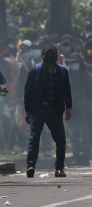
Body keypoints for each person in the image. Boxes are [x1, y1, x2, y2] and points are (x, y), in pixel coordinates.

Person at [24, 44, 72, 178]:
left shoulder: (62, 71)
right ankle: (30, 165)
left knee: (61, 140)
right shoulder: (35, 71)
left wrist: (68, 107)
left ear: (56, 55)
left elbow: (67, 90)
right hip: (38, 109)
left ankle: (59, 168)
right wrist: (28, 111)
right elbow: (27, 92)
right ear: (43, 55)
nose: (49, 56)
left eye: (52, 54)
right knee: (35, 138)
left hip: (55, 110)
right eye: (47, 54)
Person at [14, 42, 53, 156]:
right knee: (31, 126)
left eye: (37, 48)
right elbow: (19, 81)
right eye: (33, 49)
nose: (35, 51)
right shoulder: (26, 65)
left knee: (46, 126)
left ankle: (46, 149)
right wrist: (17, 96)